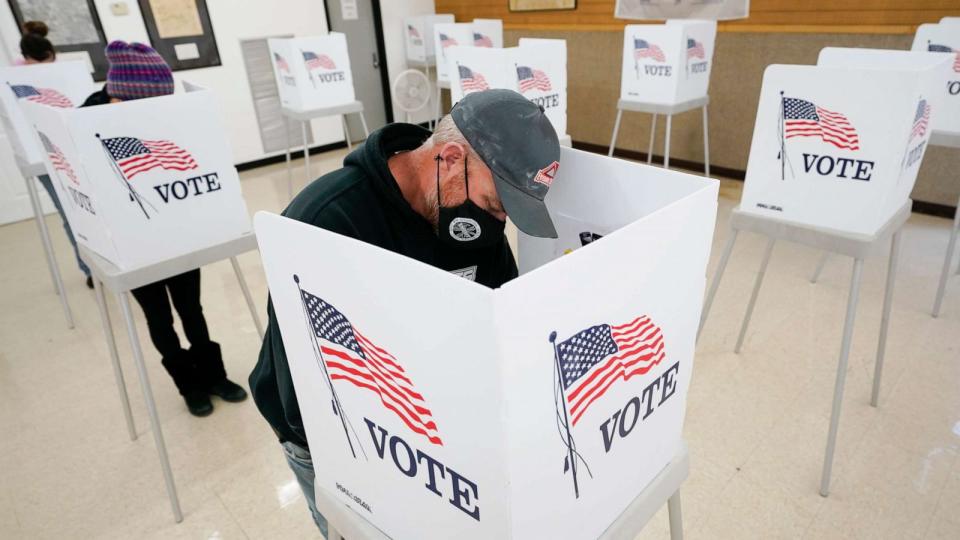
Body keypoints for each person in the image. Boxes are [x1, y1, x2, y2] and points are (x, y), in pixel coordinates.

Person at [249, 89, 561, 533]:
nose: (497, 223)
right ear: (450, 158)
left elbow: (500, 321)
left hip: (431, 441)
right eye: (496, 205)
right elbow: (305, 384)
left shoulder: (476, 222)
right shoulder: (325, 221)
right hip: (331, 436)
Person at [82, 41, 247, 416]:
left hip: (175, 231)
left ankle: (214, 376)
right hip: (131, 243)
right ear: (118, 95)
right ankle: (188, 385)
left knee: (192, 308)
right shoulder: (84, 124)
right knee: (159, 318)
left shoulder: (162, 115)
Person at [15, 21, 94, 287]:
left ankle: (101, 261)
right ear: (25, 59)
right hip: (42, 155)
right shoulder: (11, 78)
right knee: (68, 212)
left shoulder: (66, 73)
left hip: (73, 150)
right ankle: (89, 269)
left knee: (89, 207)